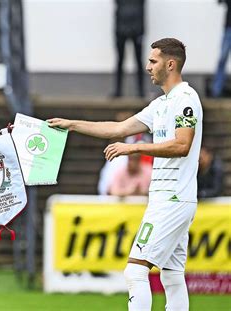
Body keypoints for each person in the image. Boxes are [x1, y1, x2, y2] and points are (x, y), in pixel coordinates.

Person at [48, 38, 202, 311]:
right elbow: (118, 129)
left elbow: (182, 145)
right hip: (169, 199)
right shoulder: (161, 104)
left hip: (173, 199)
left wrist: (135, 149)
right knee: (172, 274)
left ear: (170, 63)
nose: (147, 67)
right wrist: (72, 124)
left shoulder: (186, 100)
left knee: (135, 271)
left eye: (153, 61)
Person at [113, 0, 145, 97]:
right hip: (121, 29)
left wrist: (142, 31)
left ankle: (141, 91)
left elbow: (142, 10)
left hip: (137, 29)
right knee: (120, 60)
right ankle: (118, 91)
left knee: (139, 61)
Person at [211, 0, 231, 97]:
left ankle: (216, 90)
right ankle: (216, 90)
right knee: (222, 59)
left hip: (228, 29)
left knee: (222, 60)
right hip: (228, 29)